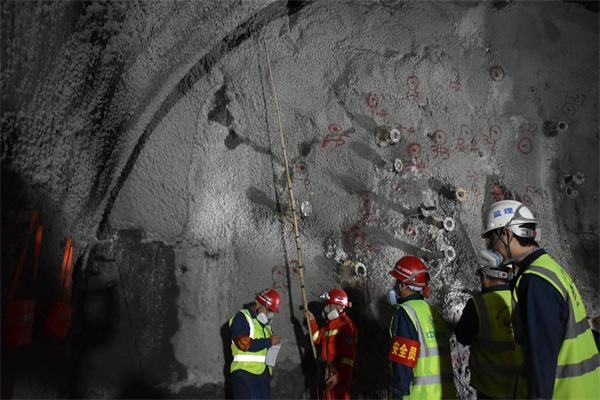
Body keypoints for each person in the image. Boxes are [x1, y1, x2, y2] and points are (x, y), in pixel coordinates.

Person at [482, 199, 600, 399]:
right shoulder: (549, 268)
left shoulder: (535, 282)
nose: (491, 247)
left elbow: (541, 359)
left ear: (507, 235)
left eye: (491, 240)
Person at [387, 256, 456, 399]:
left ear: (404, 285)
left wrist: (397, 394)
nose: (395, 286)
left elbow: (403, 363)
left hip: (419, 396)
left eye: (397, 282)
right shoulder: (434, 313)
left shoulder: (405, 313)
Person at [455, 256, 523, 399]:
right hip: (521, 387)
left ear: (485, 275)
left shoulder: (478, 305)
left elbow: (462, 336)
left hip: (492, 387)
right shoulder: (520, 300)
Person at [228, 288, 282, 399]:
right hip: (244, 376)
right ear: (261, 305)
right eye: (270, 311)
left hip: (262, 379)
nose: (271, 314)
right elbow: (243, 344)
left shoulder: (266, 327)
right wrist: (269, 341)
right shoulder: (242, 318)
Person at [306, 288, 357, 400]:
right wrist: (312, 321)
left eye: (328, 304)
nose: (326, 308)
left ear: (338, 306)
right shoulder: (330, 324)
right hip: (328, 375)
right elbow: (317, 338)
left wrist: (338, 376)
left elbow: (349, 358)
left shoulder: (346, 326)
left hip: (339, 381)